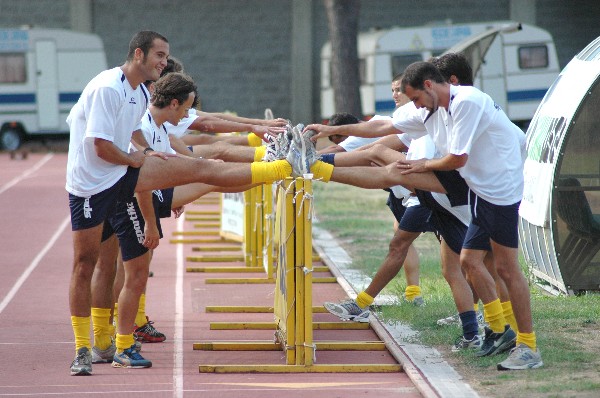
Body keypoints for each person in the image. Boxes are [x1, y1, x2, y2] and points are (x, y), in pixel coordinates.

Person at [66, 30, 305, 376]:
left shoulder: (137, 93)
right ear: (138, 55)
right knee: (87, 264)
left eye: (165, 56)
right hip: (90, 185)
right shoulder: (108, 88)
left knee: (204, 169)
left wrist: (147, 153)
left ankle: (283, 166)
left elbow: (133, 133)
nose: (165, 63)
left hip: (122, 174)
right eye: (160, 56)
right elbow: (100, 145)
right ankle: (83, 349)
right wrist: (138, 160)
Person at [302, 59, 541, 370]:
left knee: (507, 270)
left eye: (414, 98)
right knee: (469, 262)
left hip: (498, 192)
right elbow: (380, 126)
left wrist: (421, 164)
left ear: (430, 85)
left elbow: (457, 158)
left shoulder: (466, 102)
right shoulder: (430, 108)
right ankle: (499, 330)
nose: (412, 105)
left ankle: (528, 347)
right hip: (478, 189)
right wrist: (332, 129)